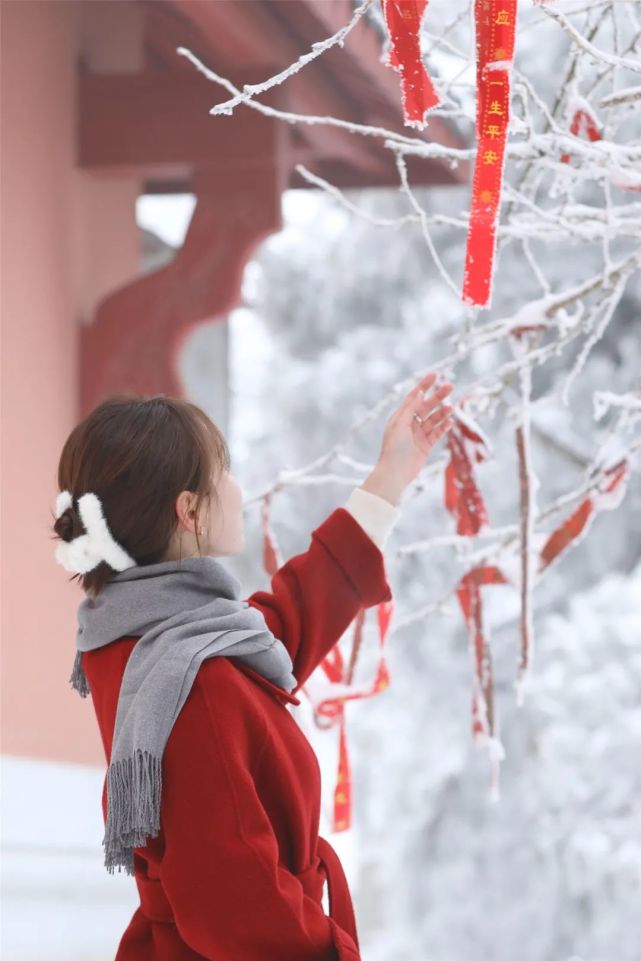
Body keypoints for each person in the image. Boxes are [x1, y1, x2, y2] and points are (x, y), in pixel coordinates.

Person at [51, 372, 453, 961]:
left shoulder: (148, 641)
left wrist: (389, 478)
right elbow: (240, 909)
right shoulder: (192, 683)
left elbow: (282, 625)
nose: (238, 488)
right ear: (190, 510)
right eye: (224, 472)